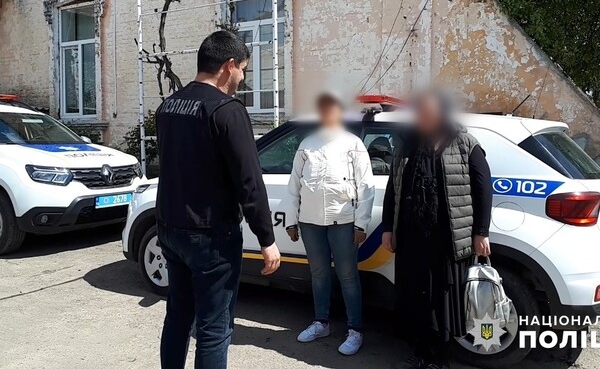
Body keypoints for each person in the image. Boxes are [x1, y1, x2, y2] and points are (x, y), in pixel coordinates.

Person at [155, 30, 281, 369]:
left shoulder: (168, 107)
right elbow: (249, 180)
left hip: (170, 227)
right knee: (214, 327)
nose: (242, 78)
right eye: (243, 69)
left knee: (178, 315)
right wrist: (267, 239)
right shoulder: (227, 110)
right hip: (210, 236)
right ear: (229, 65)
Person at [381, 92, 492, 369]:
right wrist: (387, 228)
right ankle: (420, 353)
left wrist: (481, 231)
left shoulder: (465, 143)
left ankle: (441, 359)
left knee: (443, 300)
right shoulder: (407, 145)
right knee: (414, 296)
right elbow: (393, 189)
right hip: (412, 237)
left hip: (448, 239)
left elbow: (483, 189)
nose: (424, 118)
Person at [283, 92, 375, 356]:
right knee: (319, 273)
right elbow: (294, 186)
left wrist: (361, 224)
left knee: (348, 276)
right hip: (310, 222)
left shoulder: (353, 144)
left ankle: (355, 330)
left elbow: (366, 186)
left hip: (343, 221)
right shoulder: (307, 144)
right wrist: (291, 221)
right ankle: (321, 322)